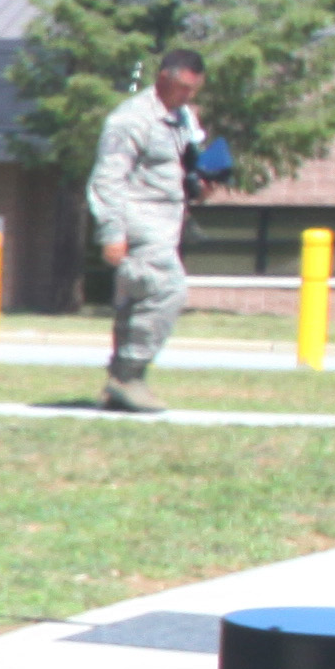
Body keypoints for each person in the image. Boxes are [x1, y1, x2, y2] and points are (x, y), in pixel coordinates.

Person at [92, 46, 210, 413]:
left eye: (194, 90)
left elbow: (185, 163)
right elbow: (107, 178)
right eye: (182, 88)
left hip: (169, 219)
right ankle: (130, 374)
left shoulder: (183, 118)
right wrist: (112, 232)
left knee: (137, 302)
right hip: (138, 217)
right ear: (162, 78)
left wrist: (200, 179)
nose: (187, 96)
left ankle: (118, 386)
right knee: (166, 288)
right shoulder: (130, 120)